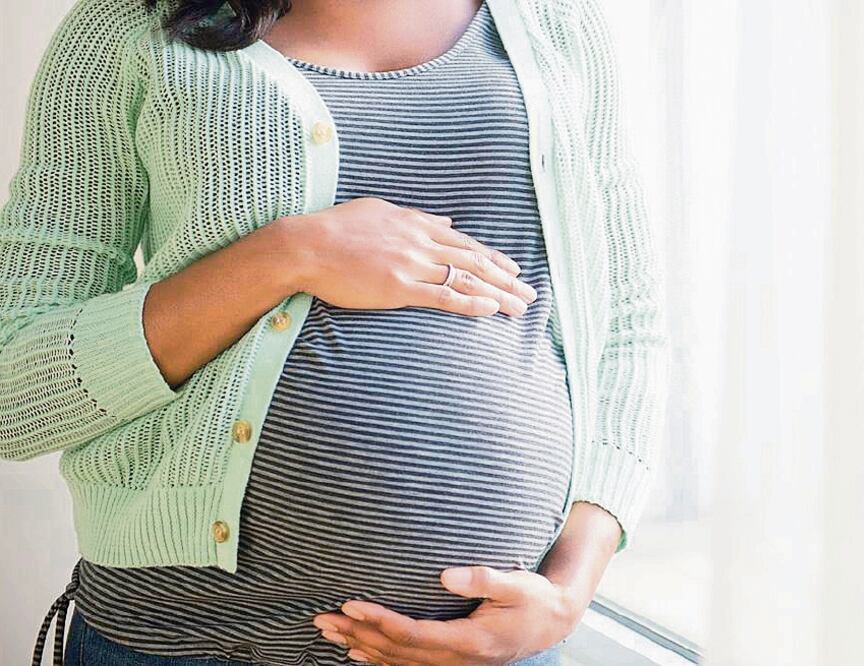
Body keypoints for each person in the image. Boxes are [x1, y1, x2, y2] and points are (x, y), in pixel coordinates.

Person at [1, 0, 670, 664]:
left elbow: (626, 325)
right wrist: (287, 255)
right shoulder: (129, 28)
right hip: (187, 640)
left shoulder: (557, 25)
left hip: (486, 647)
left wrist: (569, 590)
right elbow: (14, 393)